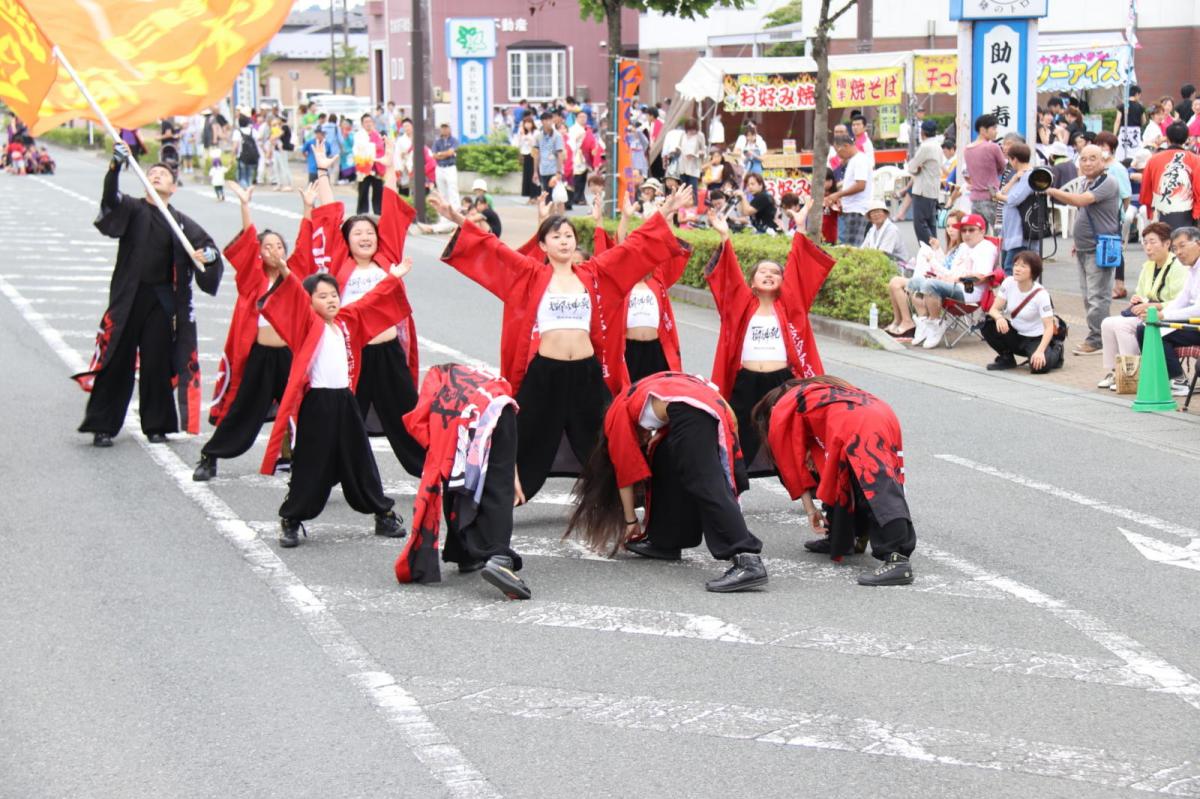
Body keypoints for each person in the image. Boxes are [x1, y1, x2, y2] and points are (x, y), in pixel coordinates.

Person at [433, 188, 693, 503]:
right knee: (522, 435)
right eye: (556, 236)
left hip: (585, 372)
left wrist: (664, 213)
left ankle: (622, 502)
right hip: (545, 373)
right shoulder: (531, 274)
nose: (565, 241)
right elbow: (493, 248)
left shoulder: (593, 274)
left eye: (569, 235)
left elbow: (634, 247)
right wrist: (456, 217)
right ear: (542, 245)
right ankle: (501, 500)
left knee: (606, 435)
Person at [565, 372, 767, 593]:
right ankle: (667, 539)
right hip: (703, 405)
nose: (643, 439)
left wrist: (630, 521)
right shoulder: (642, 391)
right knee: (663, 455)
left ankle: (747, 559)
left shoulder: (616, 416)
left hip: (690, 410)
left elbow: (626, 473)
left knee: (705, 481)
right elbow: (708, 391)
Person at [75, 145, 223, 446]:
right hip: (129, 298)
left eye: (163, 175)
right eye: (152, 173)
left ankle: (157, 425)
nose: (156, 176)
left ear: (174, 187)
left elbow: (208, 249)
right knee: (118, 360)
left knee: (156, 363)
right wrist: (114, 168)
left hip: (162, 302)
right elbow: (110, 202)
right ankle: (103, 426)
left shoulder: (180, 222)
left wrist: (207, 254)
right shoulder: (132, 208)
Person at [258, 262, 412, 547]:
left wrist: (393, 277)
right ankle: (291, 520)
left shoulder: (346, 321)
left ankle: (383, 514)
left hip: (345, 400)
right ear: (309, 301)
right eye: (322, 296)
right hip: (318, 403)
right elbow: (294, 296)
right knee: (310, 462)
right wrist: (285, 271)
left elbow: (371, 301)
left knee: (361, 458)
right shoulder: (307, 324)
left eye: (333, 295)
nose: (330, 300)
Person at [298, 149, 426, 478]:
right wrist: (324, 173)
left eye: (370, 232)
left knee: (407, 413)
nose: (366, 236)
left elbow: (393, 211)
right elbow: (328, 216)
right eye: (358, 233)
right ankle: (324, 473)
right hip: (352, 354)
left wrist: (392, 168)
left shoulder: (388, 259)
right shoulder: (341, 263)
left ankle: (429, 469)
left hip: (387, 352)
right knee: (343, 412)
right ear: (347, 241)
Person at [193, 182, 318, 481]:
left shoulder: (295, 276)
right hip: (260, 357)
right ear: (259, 254)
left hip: (289, 356)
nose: (274, 251)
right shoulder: (253, 280)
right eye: (267, 247)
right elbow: (247, 244)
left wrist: (308, 207)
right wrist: (245, 207)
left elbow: (306, 247)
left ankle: (305, 463)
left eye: (279, 246)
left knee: (303, 408)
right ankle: (210, 457)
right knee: (243, 410)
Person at [752, 376, 916, 586]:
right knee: (843, 477)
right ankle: (844, 538)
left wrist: (810, 509)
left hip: (859, 423)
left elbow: (791, 465)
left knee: (876, 487)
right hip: (880, 412)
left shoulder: (783, 406)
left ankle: (898, 559)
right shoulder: (820, 389)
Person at [706, 209, 836, 472]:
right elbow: (729, 275)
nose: (768, 275)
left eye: (775, 273)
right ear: (751, 282)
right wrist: (724, 236)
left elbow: (798, 267)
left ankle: (808, 491)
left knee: (792, 435)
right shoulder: (741, 306)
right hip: (746, 381)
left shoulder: (790, 305)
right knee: (737, 434)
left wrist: (799, 228)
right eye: (762, 272)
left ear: (782, 282)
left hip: (782, 382)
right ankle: (733, 491)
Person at [393, 364, 529, 598]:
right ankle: (466, 552)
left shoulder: (436, 406)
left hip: (490, 410)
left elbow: (441, 473)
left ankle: (498, 556)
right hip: (496, 407)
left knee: (461, 480)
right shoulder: (444, 382)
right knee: (492, 482)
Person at [595, 192, 688, 384]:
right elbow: (620, 250)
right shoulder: (623, 282)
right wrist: (626, 217)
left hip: (656, 348)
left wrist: (668, 218)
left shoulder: (657, 280)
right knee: (629, 393)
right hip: (629, 349)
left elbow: (668, 249)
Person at [1047, 144, 1122, 356]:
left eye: (1093, 158)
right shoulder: (1085, 182)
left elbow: (1081, 201)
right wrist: (1076, 242)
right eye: (1083, 159)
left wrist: (1052, 191)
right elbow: (1084, 212)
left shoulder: (1108, 182)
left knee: (1098, 297)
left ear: (1103, 161)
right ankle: (1098, 336)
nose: (1087, 163)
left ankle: (1098, 340)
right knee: (1088, 296)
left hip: (1100, 248)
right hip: (1083, 247)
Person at [1097, 222, 1187, 389]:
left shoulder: (1178, 267)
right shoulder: (1148, 266)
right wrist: (1138, 300)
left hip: (1163, 315)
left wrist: (1151, 305)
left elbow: (1180, 301)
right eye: (1145, 242)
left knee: (1122, 326)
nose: (1148, 247)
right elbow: (1142, 292)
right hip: (1146, 313)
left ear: (1167, 243)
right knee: (1107, 323)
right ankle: (1115, 372)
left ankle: (1131, 375)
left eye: (1153, 242)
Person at [906, 213, 998, 350]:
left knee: (929, 285)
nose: (966, 234)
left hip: (970, 291)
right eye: (964, 230)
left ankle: (936, 323)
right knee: (914, 283)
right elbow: (952, 273)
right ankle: (925, 323)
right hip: (955, 285)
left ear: (982, 231)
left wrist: (957, 279)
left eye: (971, 230)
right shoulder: (963, 247)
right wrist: (942, 276)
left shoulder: (986, 248)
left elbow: (981, 277)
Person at [1135, 226, 1200, 397]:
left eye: (1182, 246)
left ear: (1198, 244)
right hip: (1194, 322)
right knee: (1147, 328)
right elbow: (1182, 300)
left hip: (1198, 323)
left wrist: (1164, 316)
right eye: (1175, 248)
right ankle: (1167, 377)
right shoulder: (1193, 269)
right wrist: (1157, 317)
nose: (1178, 252)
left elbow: (1198, 309)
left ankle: (1177, 379)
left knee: (1153, 331)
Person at [981, 250, 1062, 373]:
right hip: (1016, 334)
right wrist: (999, 318)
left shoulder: (1041, 294)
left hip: (1035, 338)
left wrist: (1040, 352)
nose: (1017, 269)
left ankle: (1057, 349)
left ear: (1033, 272)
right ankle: (1006, 357)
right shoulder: (1008, 283)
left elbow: (1049, 327)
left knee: (1039, 368)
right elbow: (993, 309)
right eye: (1016, 265)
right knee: (988, 323)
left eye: (1023, 266)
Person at [1138, 121, 1200, 232]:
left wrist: (1149, 207)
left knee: (1163, 243)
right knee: (1184, 244)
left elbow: (1146, 189)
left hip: (1160, 210)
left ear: (1167, 138)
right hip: (1187, 213)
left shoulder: (1154, 159)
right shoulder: (1195, 160)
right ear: (1186, 139)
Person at [1095, 131, 1133, 298]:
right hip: (1096, 214)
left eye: (1104, 146)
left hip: (1112, 215)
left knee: (1114, 249)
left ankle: (1119, 285)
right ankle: (1103, 285)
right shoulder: (1096, 166)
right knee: (1099, 248)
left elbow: (1125, 195)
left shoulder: (1117, 168)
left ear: (1111, 149)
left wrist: (1121, 213)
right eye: (1098, 145)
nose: (1100, 149)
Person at [994, 142, 1035, 274]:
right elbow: (1005, 191)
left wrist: (1000, 197)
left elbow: (1014, 199)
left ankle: (1011, 294)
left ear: (1014, 159)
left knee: (1010, 268)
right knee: (1007, 266)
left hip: (1020, 232)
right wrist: (1013, 180)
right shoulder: (1020, 175)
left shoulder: (1029, 176)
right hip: (1010, 232)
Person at [826, 134, 872, 245]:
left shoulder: (859, 160)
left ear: (846, 146)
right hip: (852, 208)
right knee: (847, 244)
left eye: (838, 151)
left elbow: (861, 185)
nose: (838, 155)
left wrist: (838, 195)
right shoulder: (854, 160)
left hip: (856, 209)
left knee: (851, 247)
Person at [962, 114, 1006, 228]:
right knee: (997, 233)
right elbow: (1003, 168)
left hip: (975, 198)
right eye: (994, 128)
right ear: (982, 130)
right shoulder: (993, 147)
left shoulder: (967, 149)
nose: (996, 131)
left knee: (978, 234)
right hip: (991, 196)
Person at [905, 119, 942, 247]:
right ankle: (934, 252)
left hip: (922, 190)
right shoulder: (937, 145)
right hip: (933, 190)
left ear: (923, 132)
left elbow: (912, 166)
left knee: (920, 224)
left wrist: (916, 168)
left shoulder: (925, 146)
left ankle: (929, 250)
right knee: (930, 224)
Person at [354, 113, 387, 215]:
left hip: (377, 167)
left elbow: (381, 147)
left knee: (378, 191)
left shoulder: (377, 134)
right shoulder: (359, 135)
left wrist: (372, 147)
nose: (368, 124)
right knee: (363, 191)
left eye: (370, 122)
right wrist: (371, 147)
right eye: (366, 122)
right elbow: (359, 149)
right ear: (362, 124)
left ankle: (379, 213)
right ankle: (362, 213)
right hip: (364, 167)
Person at [861, 199, 908, 265]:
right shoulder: (872, 230)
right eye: (873, 213)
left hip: (896, 263)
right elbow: (863, 249)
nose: (876, 215)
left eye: (878, 212)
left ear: (885, 214)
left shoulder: (892, 230)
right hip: (878, 260)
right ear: (870, 218)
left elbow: (883, 254)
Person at [532, 112, 565, 197]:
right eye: (547, 120)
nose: (549, 122)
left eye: (551, 120)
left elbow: (560, 154)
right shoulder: (538, 136)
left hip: (554, 170)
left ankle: (554, 210)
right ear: (542, 122)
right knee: (546, 195)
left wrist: (559, 171)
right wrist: (535, 172)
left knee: (555, 196)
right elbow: (536, 155)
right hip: (543, 170)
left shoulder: (557, 136)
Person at [430, 122, 460, 207]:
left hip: (450, 167)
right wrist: (444, 154)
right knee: (442, 190)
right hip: (440, 168)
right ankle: (445, 209)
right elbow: (434, 155)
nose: (444, 130)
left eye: (446, 128)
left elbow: (451, 152)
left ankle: (455, 209)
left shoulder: (454, 140)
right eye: (443, 128)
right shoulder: (437, 142)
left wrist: (440, 154)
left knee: (452, 189)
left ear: (449, 129)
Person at [677, 119, 706, 192]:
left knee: (692, 189)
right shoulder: (683, 134)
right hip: (682, 165)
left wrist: (695, 155)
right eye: (690, 130)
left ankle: (694, 203)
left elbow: (703, 151)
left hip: (694, 166)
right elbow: (679, 146)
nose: (692, 132)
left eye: (693, 130)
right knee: (683, 189)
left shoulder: (700, 136)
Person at [517, 115, 539, 203]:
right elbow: (519, 144)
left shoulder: (536, 132)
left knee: (534, 175)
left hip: (533, 155)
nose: (527, 125)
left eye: (529, 123)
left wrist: (528, 138)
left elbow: (535, 144)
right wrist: (522, 135)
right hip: (526, 155)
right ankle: (530, 196)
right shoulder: (522, 133)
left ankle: (535, 195)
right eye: (525, 123)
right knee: (527, 176)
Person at [233, 115, 258, 188]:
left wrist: (232, 156)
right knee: (249, 175)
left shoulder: (237, 132)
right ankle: (249, 188)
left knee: (242, 176)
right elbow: (259, 140)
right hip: (251, 156)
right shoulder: (252, 130)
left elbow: (235, 146)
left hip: (242, 156)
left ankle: (245, 190)